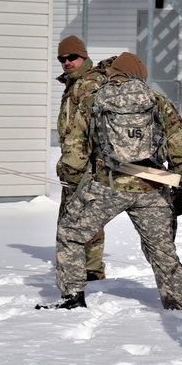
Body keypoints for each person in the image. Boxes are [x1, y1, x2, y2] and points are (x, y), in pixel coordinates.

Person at [48, 51, 182, 310]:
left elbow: (75, 146)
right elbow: (177, 136)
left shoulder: (94, 99)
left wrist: (73, 178)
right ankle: (178, 307)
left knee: (70, 233)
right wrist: (179, 179)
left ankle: (72, 297)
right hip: (152, 187)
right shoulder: (155, 98)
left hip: (107, 185)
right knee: (163, 251)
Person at [55, 35, 115, 282]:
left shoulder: (88, 85)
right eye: (62, 58)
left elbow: (99, 129)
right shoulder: (74, 84)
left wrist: (94, 164)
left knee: (85, 220)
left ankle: (90, 271)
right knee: (75, 219)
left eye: (72, 57)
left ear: (84, 57)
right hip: (73, 166)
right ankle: (84, 267)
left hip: (87, 168)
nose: (67, 62)